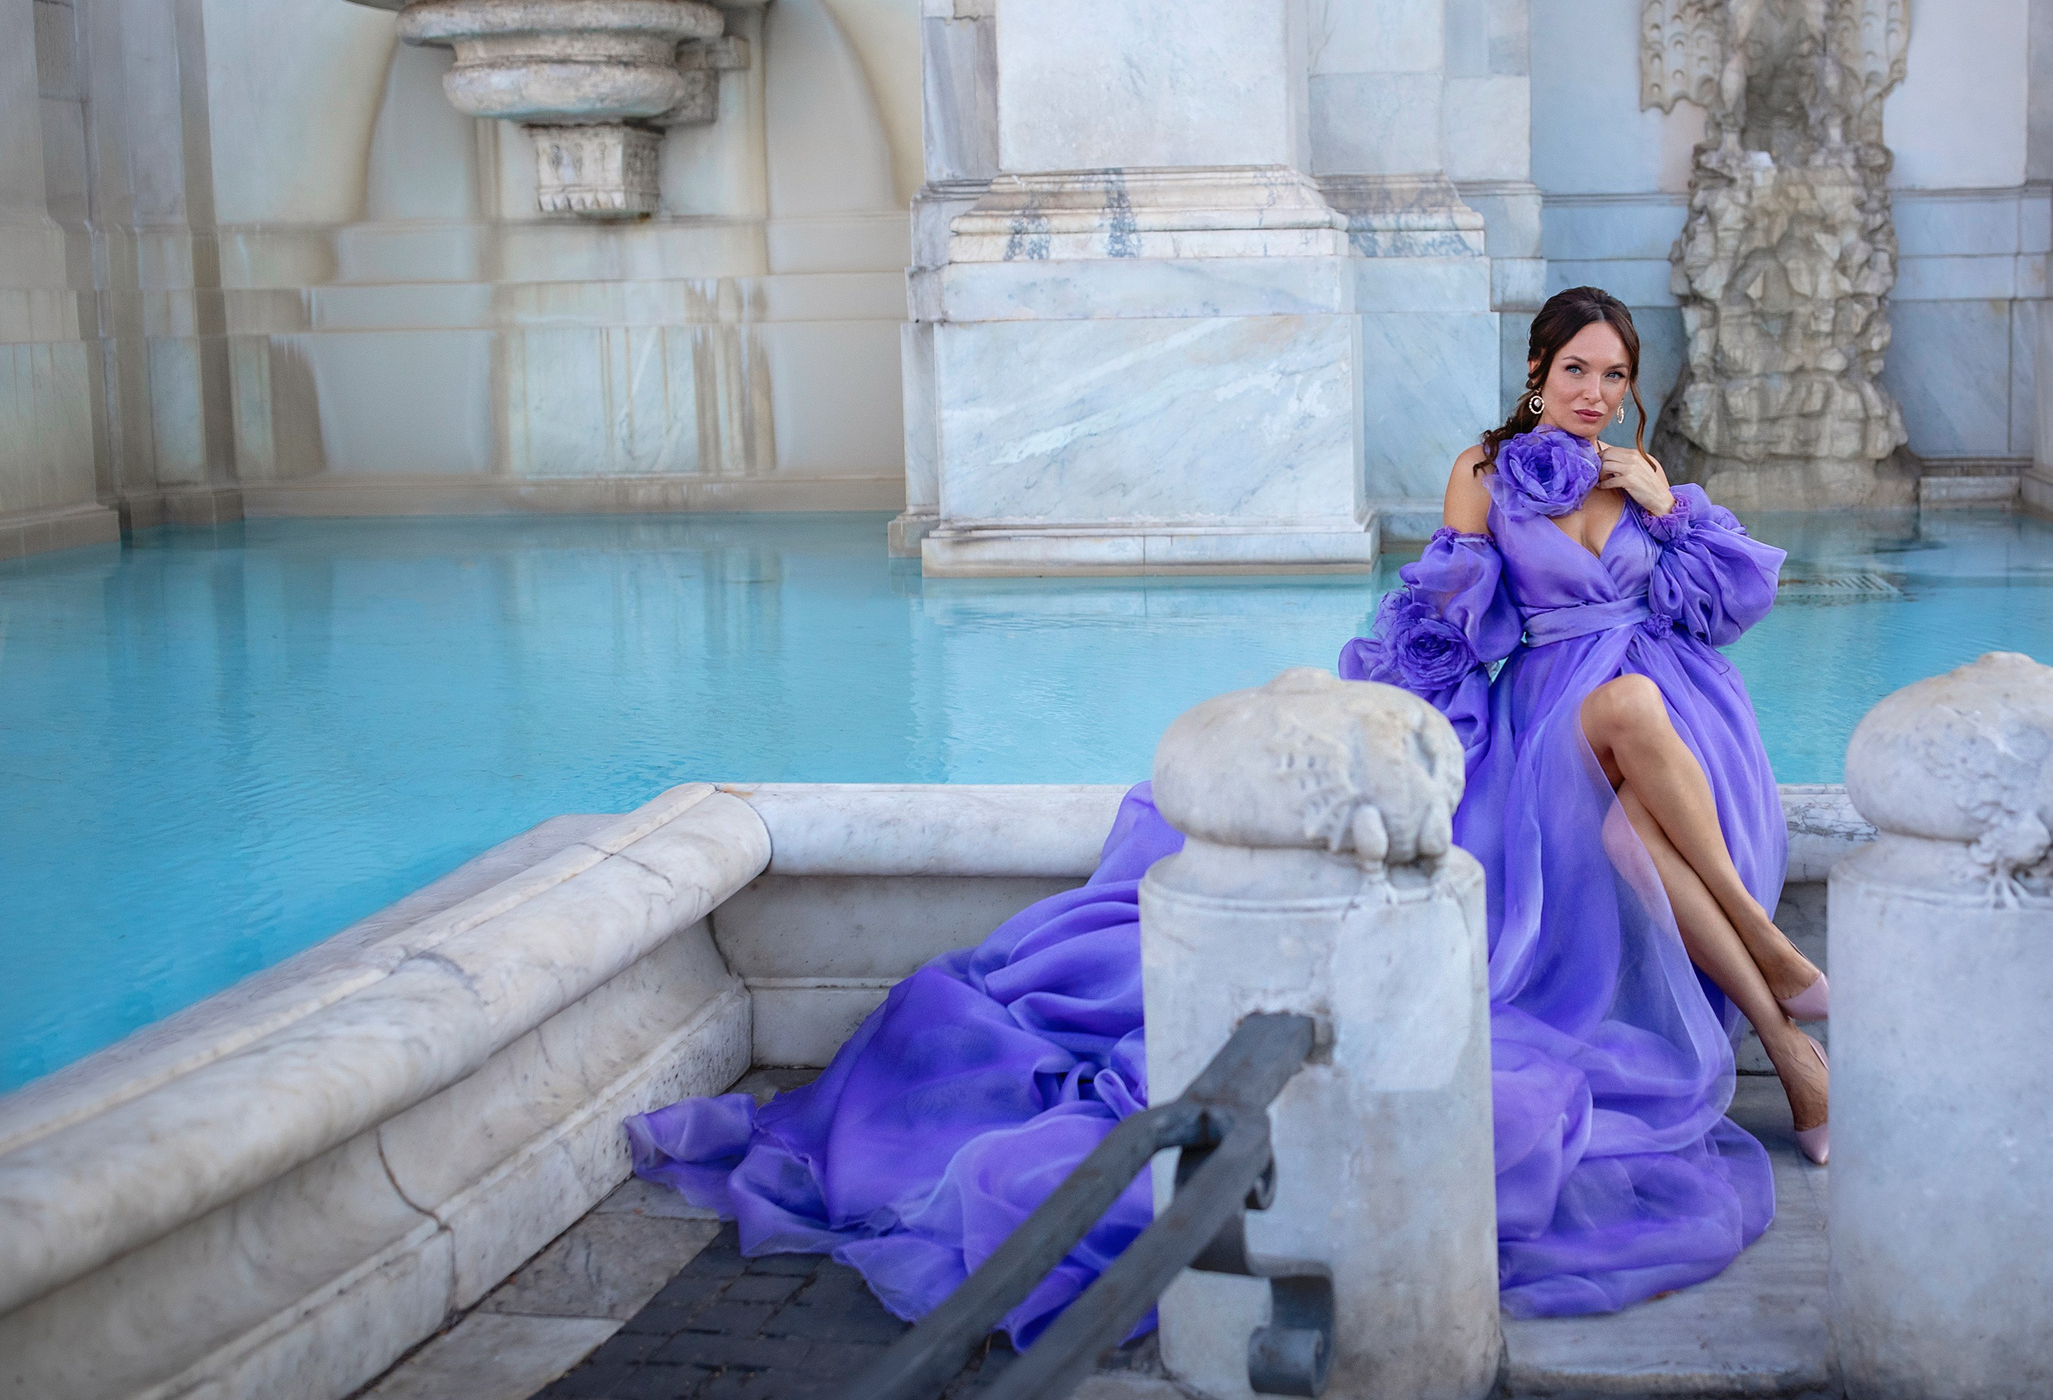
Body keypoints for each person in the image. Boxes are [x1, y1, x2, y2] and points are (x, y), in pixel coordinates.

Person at [623, 286, 1829, 1345]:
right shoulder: (1483, 469)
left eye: (1616, 375)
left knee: (1632, 829)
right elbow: (1442, 633)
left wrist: (1666, 506)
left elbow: (1714, 613)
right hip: (1548, 727)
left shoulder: (1638, 478)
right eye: (1577, 368)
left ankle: (1786, 1042)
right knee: (1614, 728)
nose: (1597, 393)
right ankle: (1782, 985)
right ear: (1535, 371)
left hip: (1665, 723)